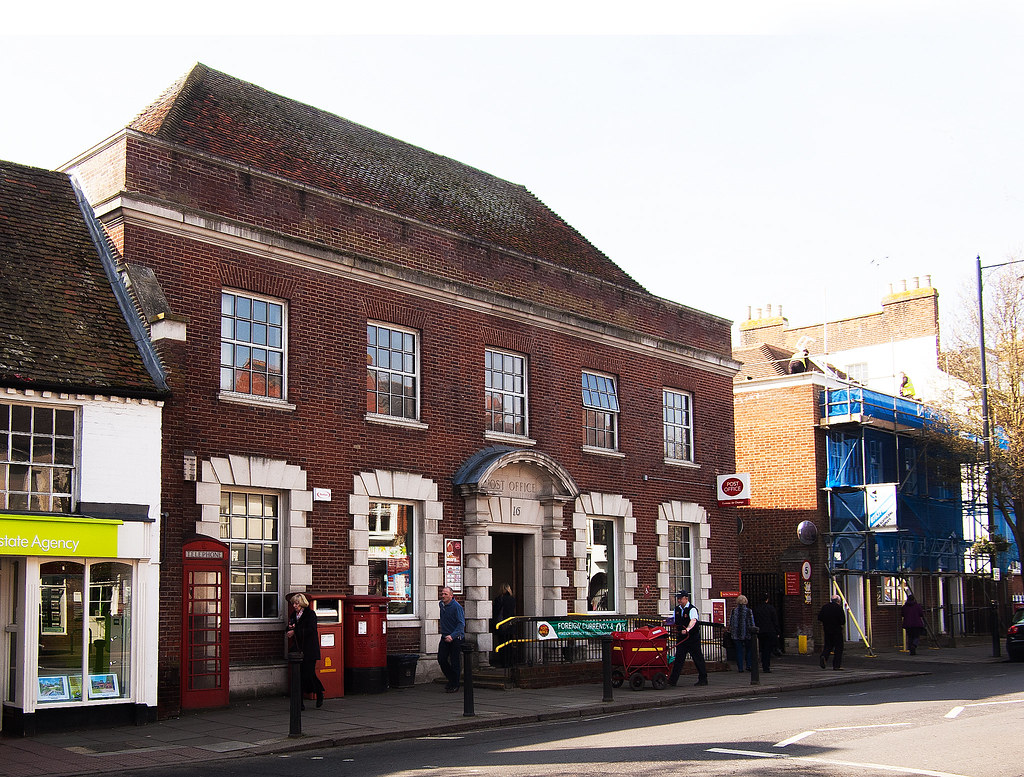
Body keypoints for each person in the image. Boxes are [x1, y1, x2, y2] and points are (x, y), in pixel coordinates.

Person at [286, 593, 324, 709]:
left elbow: (311, 630)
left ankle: (319, 692)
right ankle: (300, 703)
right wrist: (289, 629)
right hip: (298, 650)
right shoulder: (294, 615)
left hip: (310, 650)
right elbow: (289, 627)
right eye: (293, 603)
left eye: (296, 603)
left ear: (302, 603)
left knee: (309, 674)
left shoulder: (310, 614)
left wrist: (295, 631)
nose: (294, 605)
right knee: (299, 676)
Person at [667, 590, 708, 686]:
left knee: (698, 659)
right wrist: (666, 622)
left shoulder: (692, 609)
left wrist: (688, 629)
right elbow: (673, 620)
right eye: (678, 599)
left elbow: (693, 620)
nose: (679, 600)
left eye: (680, 598)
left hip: (692, 638)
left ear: (686, 598)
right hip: (682, 638)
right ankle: (673, 680)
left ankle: (703, 679)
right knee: (678, 659)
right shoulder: (677, 609)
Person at [437, 586, 465, 693]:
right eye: (442, 593)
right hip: (445, 636)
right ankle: (452, 679)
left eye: (445, 594)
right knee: (441, 659)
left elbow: (461, 624)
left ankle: (455, 684)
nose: (443, 596)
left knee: (455, 661)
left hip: (456, 637)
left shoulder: (457, 607)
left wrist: (452, 636)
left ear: (451, 596)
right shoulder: (441, 605)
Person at [752, 592, 780, 673]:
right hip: (769, 631)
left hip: (760, 631)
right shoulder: (771, 608)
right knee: (767, 649)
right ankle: (766, 666)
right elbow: (775, 621)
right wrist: (777, 631)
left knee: (762, 648)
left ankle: (762, 663)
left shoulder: (756, 609)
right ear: (767, 599)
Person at [727, 595, 756, 672]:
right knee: (748, 650)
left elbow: (731, 622)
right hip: (747, 634)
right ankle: (748, 665)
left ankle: (740, 667)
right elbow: (751, 623)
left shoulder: (734, 611)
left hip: (736, 634)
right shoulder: (748, 611)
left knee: (738, 651)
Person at [818, 594, 847, 670]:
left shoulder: (825, 607)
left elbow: (820, 617)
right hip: (837, 630)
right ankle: (836, 665)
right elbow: (842, 621)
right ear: (838, 601)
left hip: (827, 630)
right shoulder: (839, 608)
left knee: (828, 645)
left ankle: (824, 656)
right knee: (838, 647)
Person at [492, 583, 516, 667]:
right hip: (510, 625)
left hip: (501, 625)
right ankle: (511, 662)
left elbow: (496, 612)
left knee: (502, 644)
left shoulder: (499, 599)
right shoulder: (512, 599)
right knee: (509, 644)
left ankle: (504, 663)